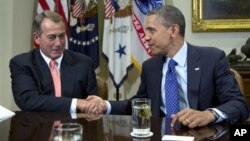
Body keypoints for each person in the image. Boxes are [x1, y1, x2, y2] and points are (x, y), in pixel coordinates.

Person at [104, 5, 249, 128]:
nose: (146, 37)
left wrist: (209, 114)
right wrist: (105, 106)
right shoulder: (150, 66)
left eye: (151, 30)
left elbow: (239, 104)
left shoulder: (212, 59)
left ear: (173, 30)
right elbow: (139, 105)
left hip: (202, 134)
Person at [9, 10, 103, 113]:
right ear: (36, 38)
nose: (58, 43)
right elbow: (28, 101)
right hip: (38, 127)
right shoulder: (22, 63)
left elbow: (93, 105)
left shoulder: (84, 63)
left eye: (62, 36)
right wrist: (77, 103)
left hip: (74, 127)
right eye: (52, 37)